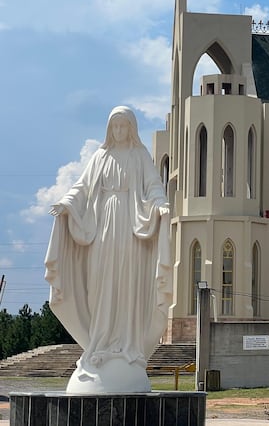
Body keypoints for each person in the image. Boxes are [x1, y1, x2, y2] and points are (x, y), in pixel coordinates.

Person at [45, 106, 172, 393]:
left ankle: (127, 343)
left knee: (126, 285)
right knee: (101, 285)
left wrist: (160, 204)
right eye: (114, 127)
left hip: (130, 229)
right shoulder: (100, 157)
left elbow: (153, 186)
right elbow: (82, 188)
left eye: (123, 127)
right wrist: (66, 204)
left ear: (131, 128)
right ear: (109, 129)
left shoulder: (140, 156)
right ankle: (99, 343)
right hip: (102, 229)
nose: (118, 132)